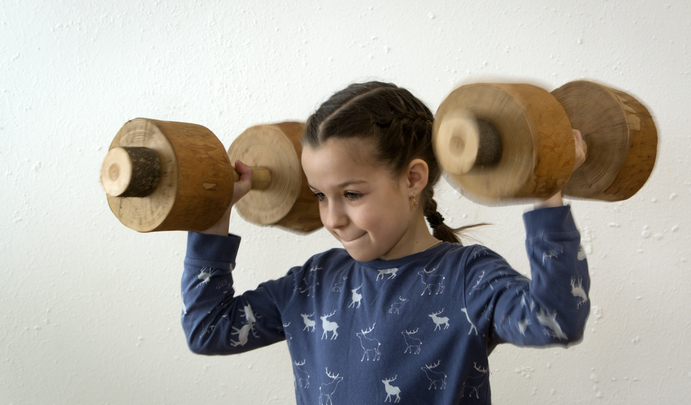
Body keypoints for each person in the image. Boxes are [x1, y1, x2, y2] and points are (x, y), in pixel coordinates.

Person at [181, 81, 590, 404]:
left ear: (413, 179)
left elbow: (556, 320)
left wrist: (548, 188)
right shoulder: (314, 283)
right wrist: (215, 214)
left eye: (352, 195)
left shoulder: (469, 278)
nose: (333, 218)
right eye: (320, 195)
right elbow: (209, 329)